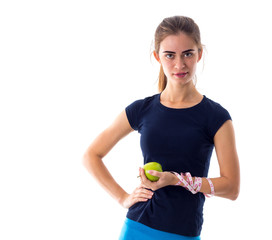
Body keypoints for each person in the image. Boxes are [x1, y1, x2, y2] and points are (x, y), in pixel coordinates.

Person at [83, 16, 240, 240]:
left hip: (183, 231)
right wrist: (122, 198)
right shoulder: (141, 109)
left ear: (199, 54)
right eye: (170, 55)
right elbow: (91, 155)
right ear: (157, 56)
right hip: (137, 226)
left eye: (188, 53)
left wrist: (177, 179)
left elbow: (232, 188)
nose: (180, 64)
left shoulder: (216, 117)